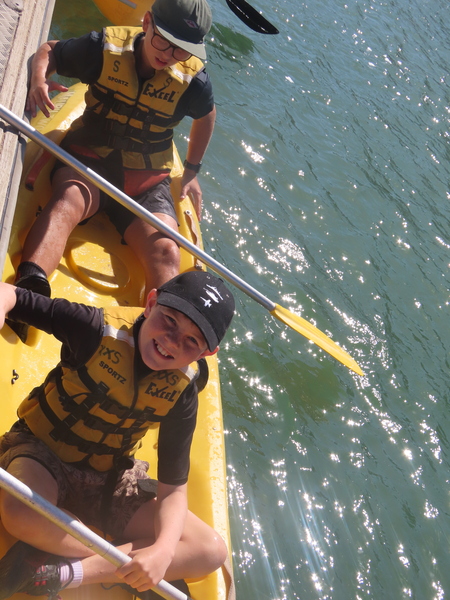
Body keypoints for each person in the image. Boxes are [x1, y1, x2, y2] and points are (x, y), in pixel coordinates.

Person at [0, 270, 235, 599]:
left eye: (191, 341)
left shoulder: (183, 392)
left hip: (110, 477)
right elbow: (13, 296)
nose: (171, 342)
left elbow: (172, 490)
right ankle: (127, 567)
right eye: (169, 320)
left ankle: (65, 573)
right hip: (41, 453)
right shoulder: (94, 328)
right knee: (18, 510)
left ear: (206, 354)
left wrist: (165, 550)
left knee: (209, 550)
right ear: (150, 304)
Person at [18, 0, 216, 303]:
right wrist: (37, 80)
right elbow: (50, 51)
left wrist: (191, 171)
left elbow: (207, 115)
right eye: (164, 41)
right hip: (89, 160)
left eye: (181, 49)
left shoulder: (194, 82)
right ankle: (28, 291)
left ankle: (163, 325)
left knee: (166, 249)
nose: (169, 55)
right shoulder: (104, 48)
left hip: (146, 181)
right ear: (147, 22)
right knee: (68, 200)